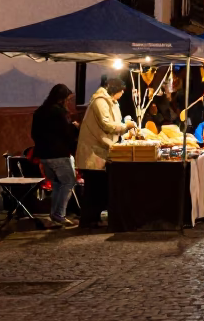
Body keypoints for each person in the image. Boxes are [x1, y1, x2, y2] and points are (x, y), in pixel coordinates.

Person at [75, 77, 135, 228]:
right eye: (121, 91)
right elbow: (107, 125)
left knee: (99, 187)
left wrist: (123, 130)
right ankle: (88, 220)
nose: (122, 95)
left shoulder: (111, 101)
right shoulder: (100, 101)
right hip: (93, 152)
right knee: (93, 188)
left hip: (101, 151)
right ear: (115, 90)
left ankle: (94, 219)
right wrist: (126, 126)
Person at [31, 84, 79, 228]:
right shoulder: (59, 112)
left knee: (58, 184)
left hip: (44, 155)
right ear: (61, 99)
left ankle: (55, 214)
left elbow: (34, 133)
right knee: (69, 182)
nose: (68, 103)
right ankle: (59, 214)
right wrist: (74, 127)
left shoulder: (40, 111)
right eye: (68, 99)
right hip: (58, 154)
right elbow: (66, 133)